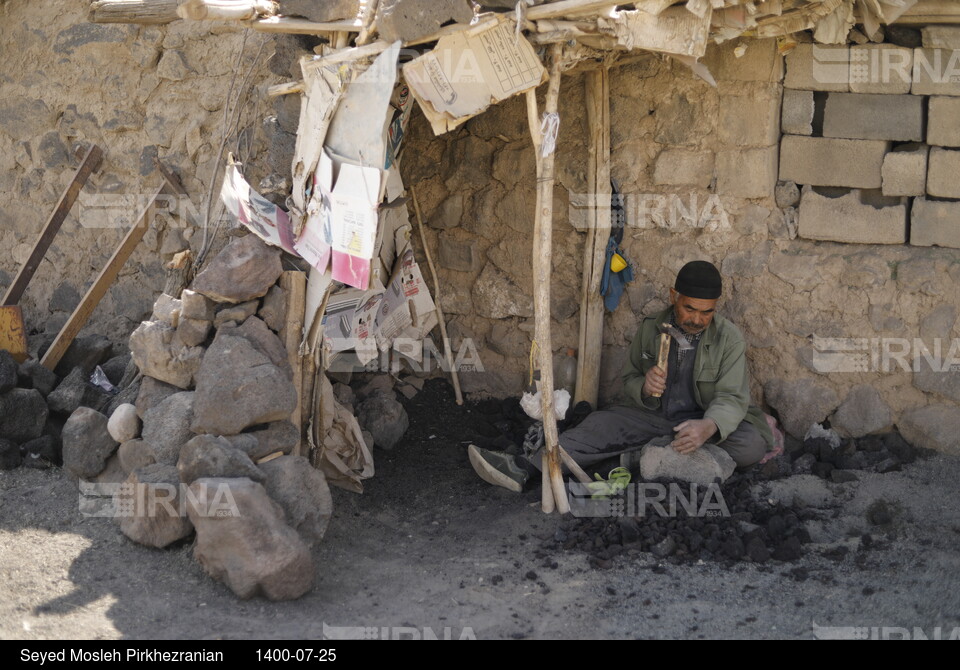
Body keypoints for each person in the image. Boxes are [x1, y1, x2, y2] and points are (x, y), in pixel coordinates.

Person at [469, 260, 773, 492]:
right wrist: (645, 387)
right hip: (652, 417)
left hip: (700, 419)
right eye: (689, 309)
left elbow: (732, 397)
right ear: (673, 297)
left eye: (706, 312)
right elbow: (629, 380)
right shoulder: (651, 327)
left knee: (751, 444)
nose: (697, 319)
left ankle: (635, 456)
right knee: (599, 425)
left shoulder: (729, 338)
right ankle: (523, 468)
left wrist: (709, 425)